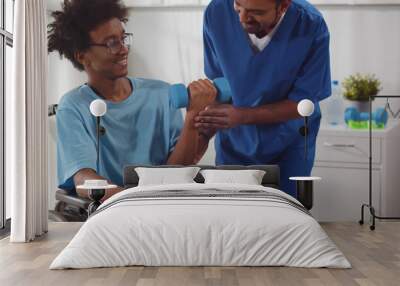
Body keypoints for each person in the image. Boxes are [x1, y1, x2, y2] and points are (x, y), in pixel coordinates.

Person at [48, 0, 216, 201]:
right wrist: (132, 201)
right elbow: (84, 179)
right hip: (111, 211)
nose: (123, 49)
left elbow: (177, 172)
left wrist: (192, 118)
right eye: (111, 43)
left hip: (162, 206)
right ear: (83, 55)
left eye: (123, 38)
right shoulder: (73, 106)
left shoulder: (162, 93)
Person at [195, 0, 331, 197]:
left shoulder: (310, 24)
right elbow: (219, 84)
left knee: (286, 213)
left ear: (283, 6)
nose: (242, 18)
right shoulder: (216, 13)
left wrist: (241, 116)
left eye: (256, 12)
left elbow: (304, 104)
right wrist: (206, 127)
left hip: (289, 141)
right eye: (238, 6)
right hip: (234, 141)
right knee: (233, 214)